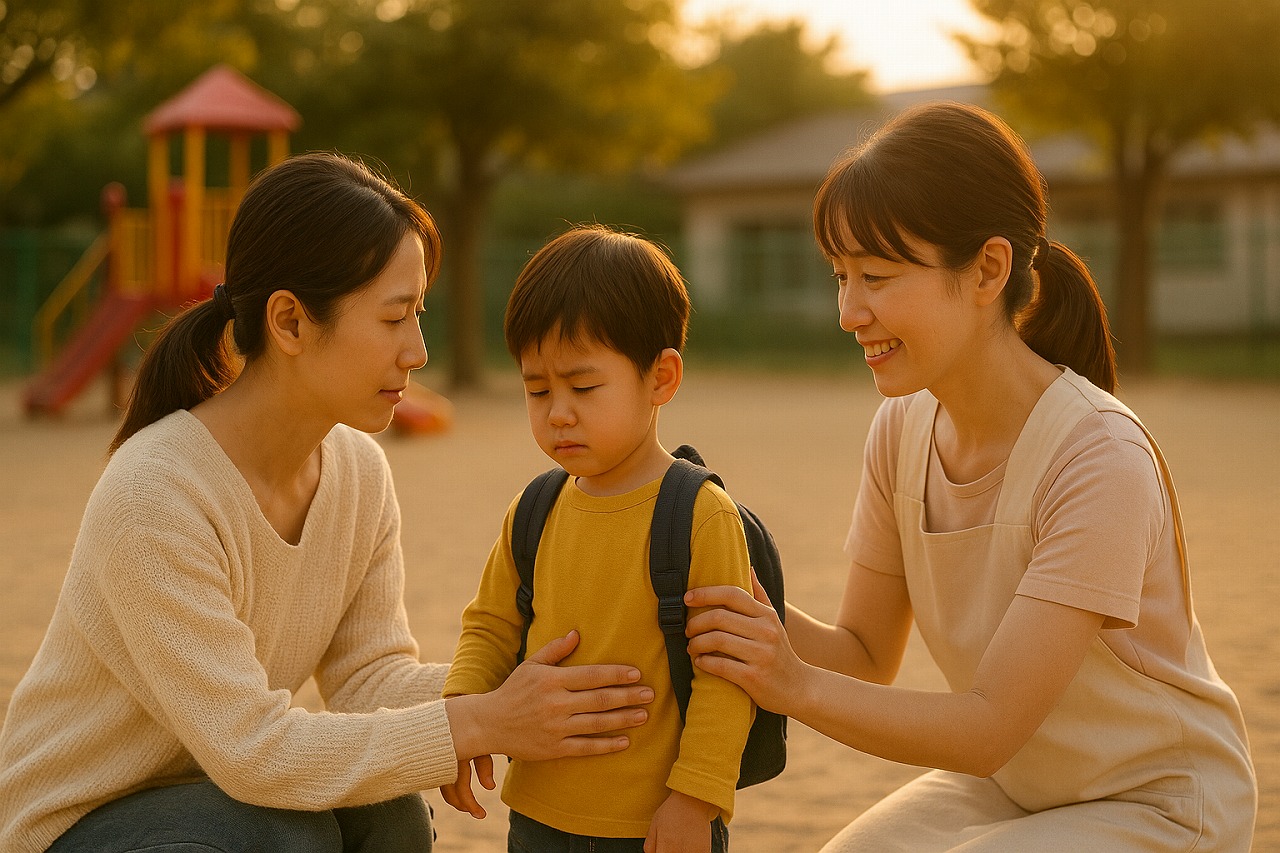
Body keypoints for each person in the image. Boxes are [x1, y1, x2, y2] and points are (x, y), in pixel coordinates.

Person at [0, 153, 656, 853]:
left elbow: (369, 677)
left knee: (393, 817)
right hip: (80, 822)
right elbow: (252, 748)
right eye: (395, 317)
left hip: (222, 797)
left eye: (420, 314)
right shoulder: (155, 493)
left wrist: (515, 682)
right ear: (289, 321)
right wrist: (482, 722)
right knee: (291, 835)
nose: (418, 351)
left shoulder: (358, 473)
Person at [683, 102, 1258, 850]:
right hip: (1016, 784)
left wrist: (788, 682)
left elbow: (987, 725)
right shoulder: (901, 428)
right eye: (841, 276)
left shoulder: (1099, 455)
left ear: (988, 269)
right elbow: (862, 651)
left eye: (878, 276)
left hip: (1161, 803)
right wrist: (729, 590)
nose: (849, 311)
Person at [441, 224, 754, 853]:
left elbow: (729, 674)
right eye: (537, 389)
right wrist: (464, 719)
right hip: (537, 819)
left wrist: (696, 799)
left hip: (657, 824)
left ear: (661, 378)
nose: (558, 411)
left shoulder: (700, 514)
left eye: (583, 388)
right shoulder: (534, 509)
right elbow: (491, 627)